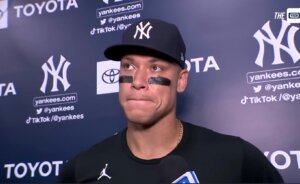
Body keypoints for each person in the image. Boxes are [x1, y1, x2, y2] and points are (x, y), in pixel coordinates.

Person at [58, 18, 283, 183]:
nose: (138, 81)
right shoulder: (82, 168)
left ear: (181, 80)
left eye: (155, 67)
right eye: (129, 66)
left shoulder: (235, 158)